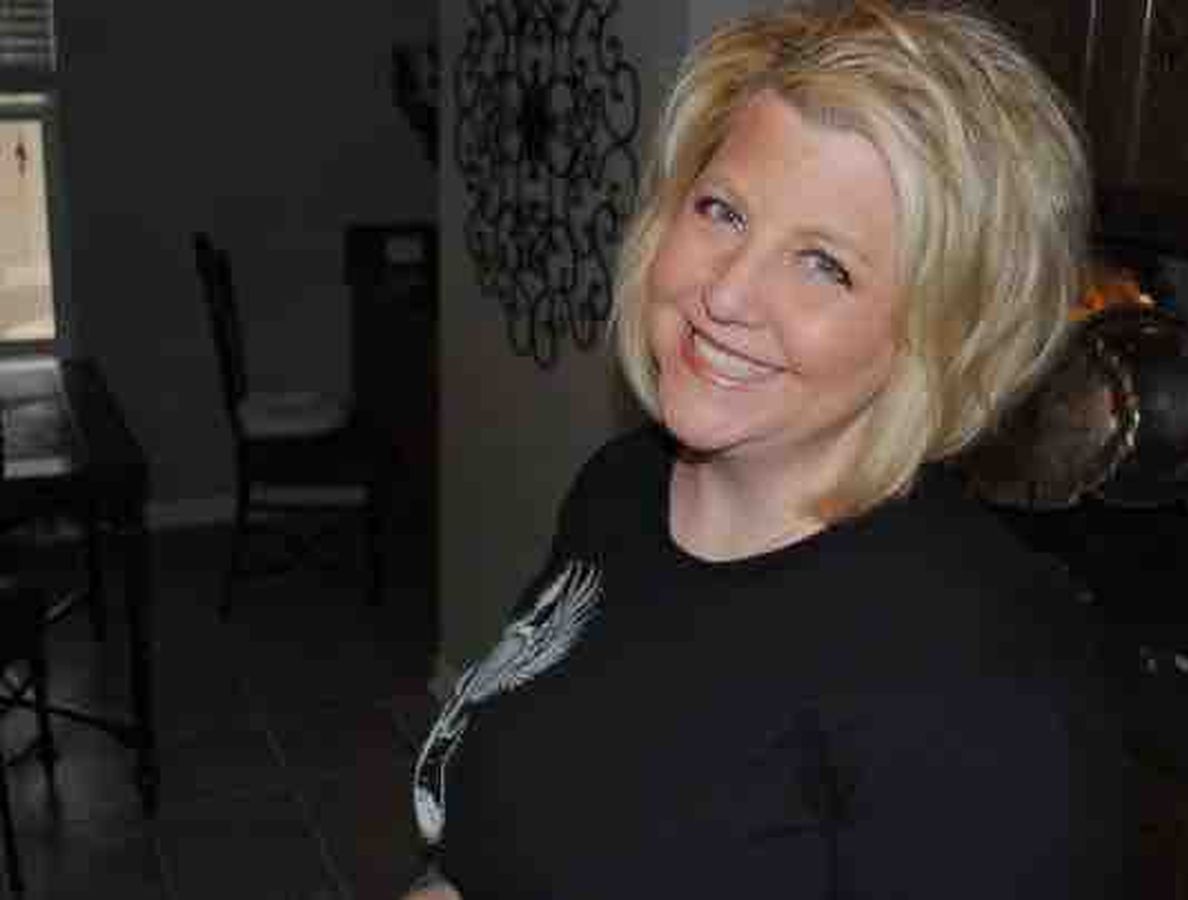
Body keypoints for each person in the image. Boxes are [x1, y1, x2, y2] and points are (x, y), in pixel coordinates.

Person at [405, 2, 1130, 897]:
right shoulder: (622, 491)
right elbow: (496, 850)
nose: (728, 294)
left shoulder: (985, 682)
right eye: (723, 211)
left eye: (825, 263)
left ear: (945, 334)